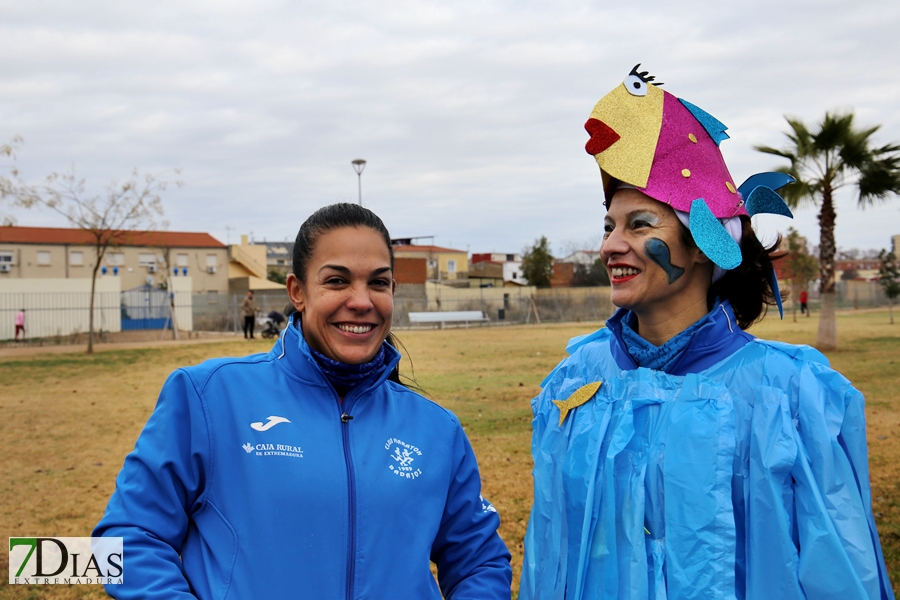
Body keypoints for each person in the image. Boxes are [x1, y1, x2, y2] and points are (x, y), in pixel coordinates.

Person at [520, 67, 894, 599]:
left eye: (639, 225)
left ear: (702, 243)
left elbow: (837, 569)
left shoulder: (786, 396)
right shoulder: (572, 384)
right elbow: (551, 553)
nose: (610, 246)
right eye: (609, 226)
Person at [94, 203, 512, 599]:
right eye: (337, 280)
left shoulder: (436, 429)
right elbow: (126, 539)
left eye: (378, 282)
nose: (362, 301)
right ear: (297, 291)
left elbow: (480, 562)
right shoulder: (209, 396)